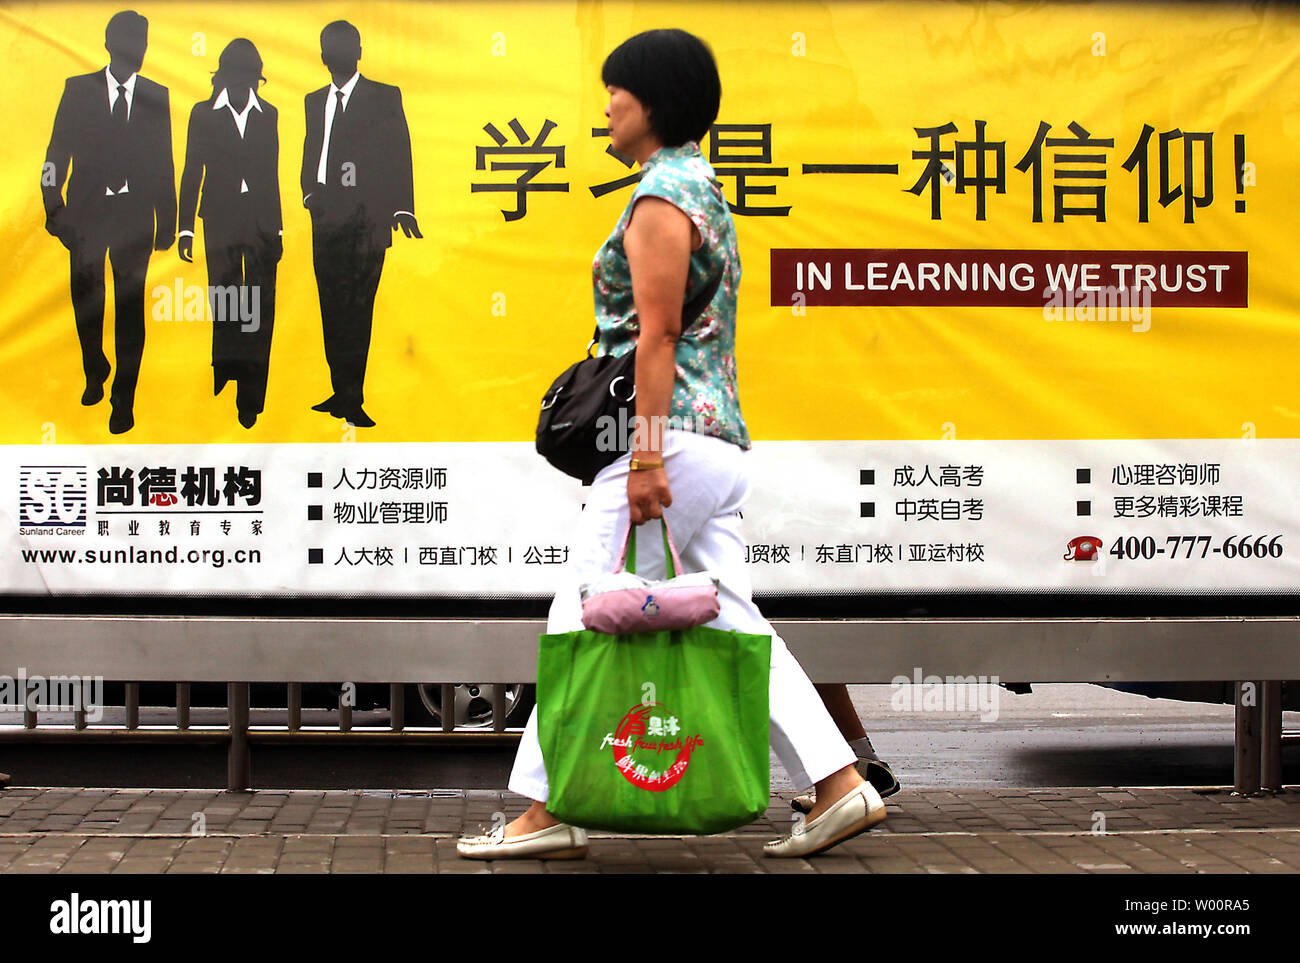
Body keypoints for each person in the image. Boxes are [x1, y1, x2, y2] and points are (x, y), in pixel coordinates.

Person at [458, 29, 887, 861]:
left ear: (651, 101)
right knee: (730, 615)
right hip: (711, 437)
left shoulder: (662, 198)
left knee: (583, 608)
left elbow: (655, 340)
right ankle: (841, 784)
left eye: (617, 91)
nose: (606, 105)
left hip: (669, 442)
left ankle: (547, 809)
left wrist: (646, 457)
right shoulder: (697, 184)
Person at [41, 9, 176, 435]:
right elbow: (55, 153)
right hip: (85, 216)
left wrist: (168, 222)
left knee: (130, 311)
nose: (139, 48)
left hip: (134, 218)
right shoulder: (78, 90)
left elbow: (164, 163)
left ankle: (124, 398)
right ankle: (95, 368)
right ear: (109, 42)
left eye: (144, 40)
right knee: (87, 304)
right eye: (132, 39)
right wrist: (53, 207)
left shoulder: (157, 95)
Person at [300, 20, 421, 429]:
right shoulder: (313, 101)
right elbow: (311, 150)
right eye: (327, 48)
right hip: (325, 221)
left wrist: (402, 208)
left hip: (368, 222)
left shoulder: (383, 97)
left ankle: (353, 396)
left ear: (357, 53)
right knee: (331, 309)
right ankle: (340, 390)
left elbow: (399, 152)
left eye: (340, 47)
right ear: (321, 57)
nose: (332, 55)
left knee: (358, 308)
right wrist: (310, 195)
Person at [178, 39, 282, 429]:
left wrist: (278, 228)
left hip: (260, 223)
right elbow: (192, 172)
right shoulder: (203, 114)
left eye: (250, 81)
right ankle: (227, 371)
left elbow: (271, 176)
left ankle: (251, 397)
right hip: (218, 220)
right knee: (225, 301)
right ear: (223, 80)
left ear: (256, 81)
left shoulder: (268, 115)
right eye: (237, 81)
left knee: (258, 309)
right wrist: (185, 227)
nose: (244, 89)